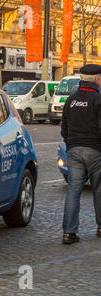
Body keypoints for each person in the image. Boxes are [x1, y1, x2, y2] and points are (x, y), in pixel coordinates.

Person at [61, 63, 101, 244]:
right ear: (97, 79)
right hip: (95, 151)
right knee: (98, 190)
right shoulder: (97, 99)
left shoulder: (71, 99)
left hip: (74, 151)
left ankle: (69, 233)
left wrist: (71, 144)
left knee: (73, 190)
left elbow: (64, 129)